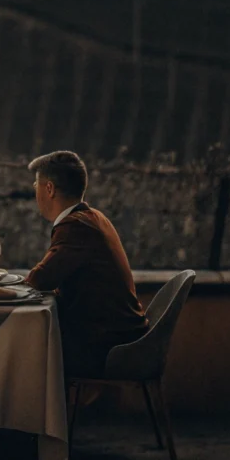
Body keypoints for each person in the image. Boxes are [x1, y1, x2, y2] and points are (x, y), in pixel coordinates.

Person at [25, 151, 148, 378]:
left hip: (106, 346)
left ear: (49, 189)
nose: (35, 191)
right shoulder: (94, 217)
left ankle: (35, 413)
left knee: (24, 346)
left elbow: (39, 279)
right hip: (126, 337)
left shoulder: (76, 226)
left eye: (36, 184)